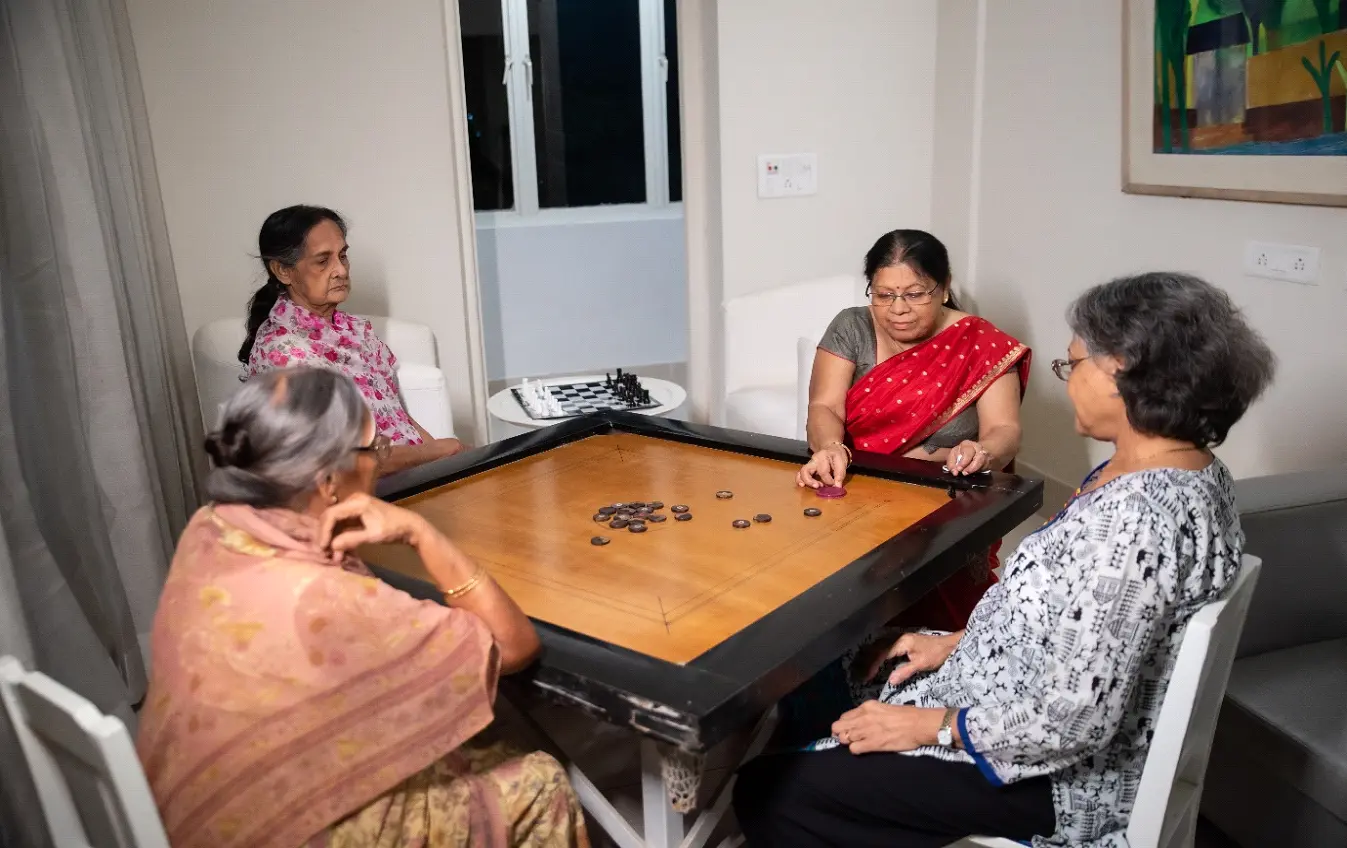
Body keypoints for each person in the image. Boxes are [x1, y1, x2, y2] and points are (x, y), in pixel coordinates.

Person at [732, 272, 1275, 847]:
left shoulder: (1136, 523)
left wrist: (927, 725)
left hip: (1060, 778)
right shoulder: (1191, 469)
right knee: (825, 660)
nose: (1068, 383)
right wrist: (956, 642)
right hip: (1018, 698)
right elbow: (1080, 621)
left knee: (771, 792)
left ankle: (827, 780)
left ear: (1122, 374)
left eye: (1074, 366)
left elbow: (1073, 721)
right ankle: (840, 766)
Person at [136, 367, 589, 848]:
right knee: (542, 782)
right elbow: (514, 645)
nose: (380, 459)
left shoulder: (209, 529)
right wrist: (421, 533)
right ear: (328, 480)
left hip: (199, 809)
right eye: (374, 449)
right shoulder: (327, 597)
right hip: (291, 830)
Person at [798, 229, 1031, 632]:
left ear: (943, 289)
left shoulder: (980, 343)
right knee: (833, 606)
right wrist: (830, 446)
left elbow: (1005, 429)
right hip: (856, 486)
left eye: (915, 293)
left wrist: (983, 452)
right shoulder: (851, 326)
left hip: (947, 496)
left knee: (940, 610)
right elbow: (824, 405)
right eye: (884, 294)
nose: (897, 309)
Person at [241, 205, 464, 475]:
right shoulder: (284, 355)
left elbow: (398, 416)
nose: (341, 271)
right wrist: (435, 451)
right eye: (323, 261)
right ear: (283, 271)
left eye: (343, 256)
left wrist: (448, 466)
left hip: (412, 476)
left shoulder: (356, 330)